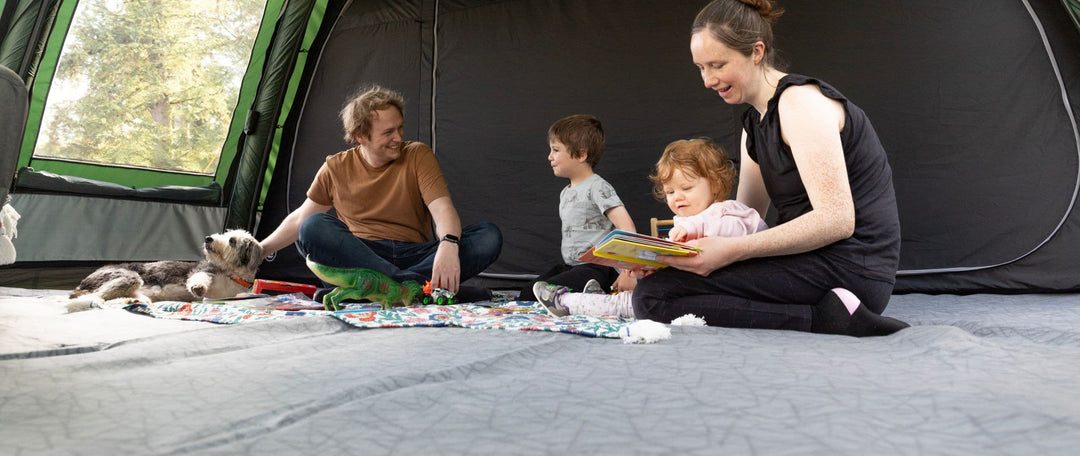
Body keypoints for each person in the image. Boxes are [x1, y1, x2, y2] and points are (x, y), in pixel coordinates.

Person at [630, 0, 909, 337]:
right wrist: (677, 255)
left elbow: (837, 220)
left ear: (757, 52)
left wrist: (728, 252)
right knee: (657, 287)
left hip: (851, 270)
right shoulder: (755, 123)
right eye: (701, 68)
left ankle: (828, 317)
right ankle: (822, 314)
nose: (707, 80)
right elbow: (743, 218)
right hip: (808, 261)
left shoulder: (799, 103)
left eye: (717, 65)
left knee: (655, 296)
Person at [258, 85, 502, 301]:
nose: (398, 137)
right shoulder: (335, 167)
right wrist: (260, 250)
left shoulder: (418, 155)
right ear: (360, 136)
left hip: (415, 255)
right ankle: (416, 288)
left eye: (400, 128)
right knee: (311, 227)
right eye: (388, 133)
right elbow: (300, 219)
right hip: (361, 258)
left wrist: (449, 243)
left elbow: (443, 209)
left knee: (488, 236)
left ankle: (380, 290)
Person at [533, 138, 767, 318]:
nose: (678, 198)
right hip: (688, 286)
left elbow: (743, 228)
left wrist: (694, 228)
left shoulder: (727, 210)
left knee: (629, 303)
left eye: (686, 188)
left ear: (715, 184)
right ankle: (593, 298)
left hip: (717, 289)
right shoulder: (684, 222)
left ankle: (566, 302)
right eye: (670, 192)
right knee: (637, 289)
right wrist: (643, 265)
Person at [517, 114, 638, 302]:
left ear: (581, 155)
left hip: (599, 268)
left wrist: (627, 272)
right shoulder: (565, 192)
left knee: (552, 292)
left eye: (556, 150)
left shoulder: (598, 187)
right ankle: (584, 296)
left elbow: (627, 227)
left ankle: (595, 294)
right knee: (528, 294)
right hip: (572, 267)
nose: (550, 157)